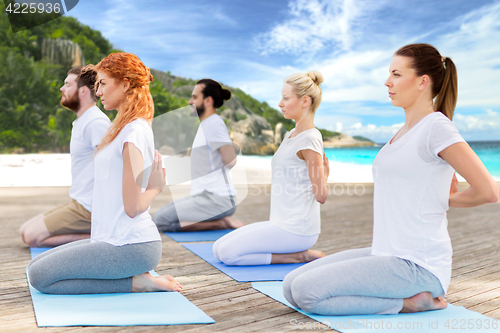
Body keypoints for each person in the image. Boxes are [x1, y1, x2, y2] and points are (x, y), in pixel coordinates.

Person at [283, 44, 499, 315]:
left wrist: (444, 199)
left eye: (396, 74)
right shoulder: (403, 132)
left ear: (422, 82)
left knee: (307, 293)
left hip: (419, 264)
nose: (388, 82)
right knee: (291, 285)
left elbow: (488, 191)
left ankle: (410, 303)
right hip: (386, 252)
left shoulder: (437, 126)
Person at [27, 52, 182, 294]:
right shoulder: (120, 129)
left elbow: (132, 208)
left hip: (130, 245)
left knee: (39, 277)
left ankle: (137, 283)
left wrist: (154, 188)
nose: (97, 92)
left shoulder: (134, 132)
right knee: (35, 265)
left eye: (103, 83)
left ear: (125, 84)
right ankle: (136, 278)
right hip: (109, 238)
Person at [212, 71, 329, 266]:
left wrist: (324, 175)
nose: (280, 103)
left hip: (297, 230)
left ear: (305, 101)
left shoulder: (310, 139)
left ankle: (297, 256)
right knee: (217, 248)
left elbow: (321, 196)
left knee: (227, 254)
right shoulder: (291, 134)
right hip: (279, 223)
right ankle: (299, 253)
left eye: (285, 98)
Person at [19, 66, 111, 247]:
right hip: (79, 202)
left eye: (67, 84)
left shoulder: (96, 122)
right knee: (24, 230)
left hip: (90, 209)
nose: (62, 89)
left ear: (83, 91)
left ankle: (103, 236)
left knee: (31, 237)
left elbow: (114, 166)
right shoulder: (83, 120)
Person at [153, 79, 244, 232]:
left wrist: (227, 147)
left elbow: (231, 160)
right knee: (160, 217)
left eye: (195, 97)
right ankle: (220, 220)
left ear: (208, 100)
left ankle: (221, 223)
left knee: (160, 220)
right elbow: (206, 153)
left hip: (216, 199)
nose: (190, 101)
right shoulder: (207, 124)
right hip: (205, 197)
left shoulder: (214, 124)